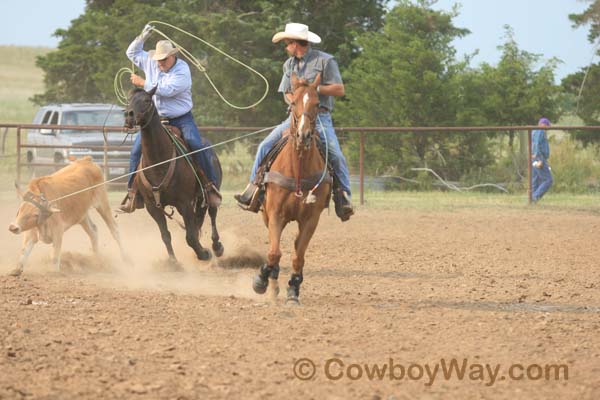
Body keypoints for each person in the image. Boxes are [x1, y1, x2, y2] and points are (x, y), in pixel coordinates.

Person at [234, 23, 354, 221]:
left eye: (287, 43)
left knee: (335, 154)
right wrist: (296, 102)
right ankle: (253, 190)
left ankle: (343, 197)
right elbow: (286, 92)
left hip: (319, 117)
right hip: (294, 117)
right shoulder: (289, 65)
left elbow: (339, 89)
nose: (285, 47)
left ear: (297, 44)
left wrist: (313, 92)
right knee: (265, 145)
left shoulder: (325, 61)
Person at [119, 24, 221, 212]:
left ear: (173, 56)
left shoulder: (182, 71)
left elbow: (167, 91)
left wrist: (143, 82)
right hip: (155, 120)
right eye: (158, 59)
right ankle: (132, 193)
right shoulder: (152, 62)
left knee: (196, 144)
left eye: (163, 59)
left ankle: (209, 187)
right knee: (135, 152)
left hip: (181, 118)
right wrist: (143, 35)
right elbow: (132, 53)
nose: (159, 63)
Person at [531, 117, 553, 202]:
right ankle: (535, 197)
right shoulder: (540, 131)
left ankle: (532, 199)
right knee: (548, 180)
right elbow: (536, 144)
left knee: (535, 179)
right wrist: (540, 159)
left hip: (534, 157)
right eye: (547, 126)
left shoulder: (533, 131)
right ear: (543, 124)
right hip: (539, 157)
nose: (548, 128)